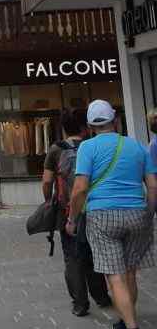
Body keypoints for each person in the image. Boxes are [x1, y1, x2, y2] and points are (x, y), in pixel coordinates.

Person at [67, 100, 157, 329]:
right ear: (114, 119)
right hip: (137, 214)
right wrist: (148, 213)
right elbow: (152, 185)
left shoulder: (87, 147)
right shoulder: (138, 146)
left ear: (90, 126)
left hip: (103, 216)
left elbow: (80, 188)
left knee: (114, 276)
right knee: (129, 272)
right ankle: (126, 320)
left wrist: (73, 218)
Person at [42, 110, 111, 316]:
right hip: (94, 206)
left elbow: (47, 181)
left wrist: (48, 200)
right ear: (84, 126)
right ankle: (101, 296)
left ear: (63, 127)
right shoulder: (93, 145)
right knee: (94, 252)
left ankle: (80, 303)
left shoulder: (56, 149)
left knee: (72, 256)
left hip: (67, 210)